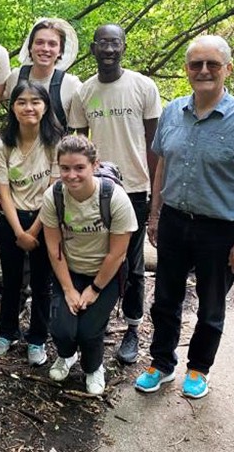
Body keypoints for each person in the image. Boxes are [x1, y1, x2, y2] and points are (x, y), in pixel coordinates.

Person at [134, 34, 234, 399]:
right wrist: (155, 214)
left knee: (211, 305)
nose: (204, 70)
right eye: (196, 64)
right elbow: (162, 163)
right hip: (175, 222)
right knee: (165, 299)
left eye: (213, 64)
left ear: (228, 68)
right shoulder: (172, 112)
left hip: (221, 229)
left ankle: (198, 368)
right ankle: (162, 363)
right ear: (187, 70)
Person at [68, 24, 162, 365]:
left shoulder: (142, 86)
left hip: (135, 188)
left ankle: (133, 327)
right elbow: (78, 145)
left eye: (115, 43)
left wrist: (155, 198)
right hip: (96, 190)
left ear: (123, 47)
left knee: (133, 266)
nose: (109, 49)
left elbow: (156, 145)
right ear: (93, 49)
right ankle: (94, 323)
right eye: (102, 43)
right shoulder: (85, 92)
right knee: (94, 257)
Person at [39, 135, 137, 395]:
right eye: (65, 168)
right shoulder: (54, 196)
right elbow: (53, 246)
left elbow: (117, 254)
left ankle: (94, 367)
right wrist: (69, 289)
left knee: (89, 330)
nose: (72, 175)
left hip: (106, 275)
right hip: (69, 270)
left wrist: (94, 289)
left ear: (95, 165)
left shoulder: (113, 198)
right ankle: (66, 355)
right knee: (62, 327)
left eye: (79, 167)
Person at [0, 81, 64, 366]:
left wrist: (34, 230)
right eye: (21, 101)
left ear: (45, 106)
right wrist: (19, 231)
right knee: (11, 281)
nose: (28, 107)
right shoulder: (2, 145)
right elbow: (3, 191)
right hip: (11, 222)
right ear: (13, 107)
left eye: (35, 101)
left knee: (43, 284)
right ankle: (7, 332)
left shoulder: (56, 143)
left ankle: (37, 339)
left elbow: (55, 191)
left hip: (47, 222)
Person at [1, 18, 82, 128]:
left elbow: (92, 107)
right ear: (30, 47)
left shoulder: (71, 84)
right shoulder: (15, 77)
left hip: (56, 144)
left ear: (60, 51)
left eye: (52, 44)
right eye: (39, 42)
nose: (45, 48)